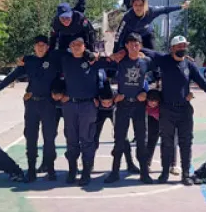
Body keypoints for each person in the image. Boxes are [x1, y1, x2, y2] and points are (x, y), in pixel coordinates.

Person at [114, 35, 206, 185]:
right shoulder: (164, 60)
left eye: (184, 46)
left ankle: (185, 174)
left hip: (184, 110)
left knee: (186, 143)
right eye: (178, 46)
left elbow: (202, 82)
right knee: (167, 143)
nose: (182, 49)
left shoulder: (189, 65)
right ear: (172, 48)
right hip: (167, 109)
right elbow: (142, 49)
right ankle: (164, 172)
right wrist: (123, 51)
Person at [0, 35, 61, 182]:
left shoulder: (54, 60)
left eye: (43, 45)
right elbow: (12, 76)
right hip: (32, 104)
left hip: (48, 104)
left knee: (49, 138)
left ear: (48, 47)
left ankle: (51, 169)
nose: (40, 47)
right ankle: (32, 170)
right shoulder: (29, 61)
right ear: (34, 47)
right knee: (31, 137)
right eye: (38, 45)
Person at [101, 33, 153, 183]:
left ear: (140, 46)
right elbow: (104, 69)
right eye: (130, 44)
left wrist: (146, 92)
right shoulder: (120, 61)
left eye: (136, 44)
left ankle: (144, 173)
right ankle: (114, 172)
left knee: (142, 139)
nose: (133, 46)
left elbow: (157, 75)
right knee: (119, 139)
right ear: (126, 46)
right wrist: (114, 95)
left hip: (139, 105)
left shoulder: (146, 62)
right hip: (123, 104)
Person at [60, 37, 112, 185]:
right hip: (70, 105)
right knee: (71, 139)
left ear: (84, 46)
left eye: (79, 44)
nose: (76, 47)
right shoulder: (65, 60)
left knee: (87, 139)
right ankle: (72, 170)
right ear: (70, 46)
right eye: (73, 44)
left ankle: (86, 172)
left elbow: (106, 75)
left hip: (88, 106)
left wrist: (100, 96)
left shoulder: (93, 61)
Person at [94, 69, 141, 175]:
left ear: (113, 98)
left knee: (122, 137)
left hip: (113, 111)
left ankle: (130, 163)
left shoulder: (116, 94)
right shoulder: (96, 94)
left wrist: (117, 101)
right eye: (104, 102)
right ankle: (89, 163)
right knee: (93, 137)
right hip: (99, 112)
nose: (106, 104)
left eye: (108, 102)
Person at [113, 0, 189, 51]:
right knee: (122, 52)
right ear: (132, 5)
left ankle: (155, 72)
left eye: (141, 5)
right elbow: (119, 34)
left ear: (145, 5)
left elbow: (165, 9)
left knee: (152, 54)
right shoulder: (127, 16)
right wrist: (115, 51)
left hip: (146, 34)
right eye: (135, 5)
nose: (138, 8)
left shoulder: (152, 11)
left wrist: (181, 6)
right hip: (131, 35)